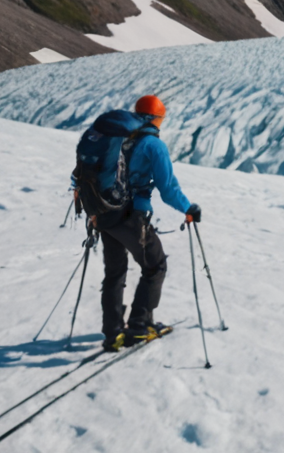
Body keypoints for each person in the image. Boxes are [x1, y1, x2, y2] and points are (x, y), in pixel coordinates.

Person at [84, 94, 201, 351]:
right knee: (155, 266)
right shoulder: (153, 145)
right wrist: (188, 208)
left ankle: (113, 332)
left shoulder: (119, 137)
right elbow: (167, 188)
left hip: (105, 213)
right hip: (130, 216)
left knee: (114, 273)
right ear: (157, 119)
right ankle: (139, 326)